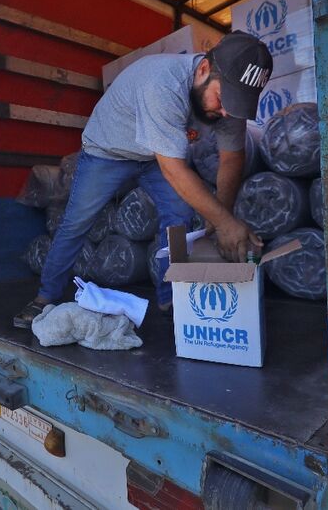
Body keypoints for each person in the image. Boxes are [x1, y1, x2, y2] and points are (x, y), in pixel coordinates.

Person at [14, 31, 273, 329]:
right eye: (223, 100)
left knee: (180, 215)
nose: (227, 111)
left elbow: (231, 158)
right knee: (76, 222)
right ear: (203, 70)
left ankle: (170, 299)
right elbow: (174, 171)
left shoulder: (229, 101)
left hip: (153, 154)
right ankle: (45, 298)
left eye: (237, 105)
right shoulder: (162, 84)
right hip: (108, 151)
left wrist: (220, 219)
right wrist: (228, 224)